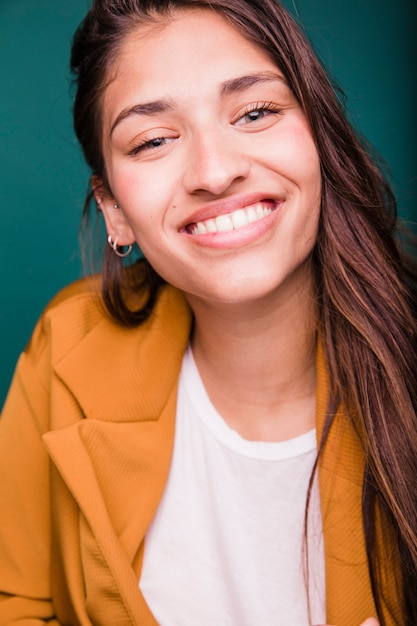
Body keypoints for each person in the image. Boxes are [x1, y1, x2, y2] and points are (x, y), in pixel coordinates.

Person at [0, 0, 416, 624]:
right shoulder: (66, 344)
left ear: (317, 138)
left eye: (255, 112)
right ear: (114, 208)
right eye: (153, 140)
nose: (215, 172)